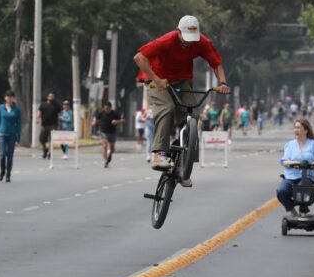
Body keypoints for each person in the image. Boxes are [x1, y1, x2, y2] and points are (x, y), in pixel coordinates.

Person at [134, 15, 231, 183]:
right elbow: (139, 58)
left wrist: (222, 83)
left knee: (193, 114)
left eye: (191, 39)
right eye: (185, 38)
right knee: (167, 108)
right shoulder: (167, 40)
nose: (188, 42)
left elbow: (216, 64)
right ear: (178, 31)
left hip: (182, 79)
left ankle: (184, 166)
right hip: (156, 78)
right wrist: (156, 79)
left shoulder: (202, 42)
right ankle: (158, 154)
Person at [276, 118, 314, 218]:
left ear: (305, 131)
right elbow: (285, 160)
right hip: (291, 176)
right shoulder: (289, 145)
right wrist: (291, 163)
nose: (296, 130)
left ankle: (303, 207)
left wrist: (312, 164)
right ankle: (293, 212)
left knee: (303, 188)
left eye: (299, 127)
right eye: (295, 128)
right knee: (281, 191)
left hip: (307, 176)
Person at [0, 90, 21, 182]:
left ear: (13, 98)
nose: (9, 99)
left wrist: (18, 136)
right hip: (2, 134)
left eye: (11, 97)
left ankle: (8, 174)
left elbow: (19, 124)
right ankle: (2, 171)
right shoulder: (1, 108)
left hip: (12, 135)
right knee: (2, 155)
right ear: (5, 98)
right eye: (8, 97)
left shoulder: (17, 110)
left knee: (9, 155)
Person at [92, 101, 124, 168]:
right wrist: (94, 121)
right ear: (104, 108)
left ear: (111, 108)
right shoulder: (101, 113)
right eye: (105, 108)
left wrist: (116, 121)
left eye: (108, 109)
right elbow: (95, 117)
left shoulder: (115, 113)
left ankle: (110, 154)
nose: (106, 110)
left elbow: (123, 120)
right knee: (104, 146)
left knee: (112, 148)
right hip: (103, 132)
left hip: (112, 132)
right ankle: (106, 160)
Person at [37, 92, 61, 160]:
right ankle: (45, 150)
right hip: (44, 125)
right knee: (42, 139)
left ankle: (49, 153)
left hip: (53, 125)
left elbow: (59, 115)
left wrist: (59, 125)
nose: (51, 97)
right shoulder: (43, 104)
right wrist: (37, 118)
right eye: (50, 96)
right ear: (47, 97)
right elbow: (39, 112)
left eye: (53, 96)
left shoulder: (57, 105)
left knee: (51, 139)